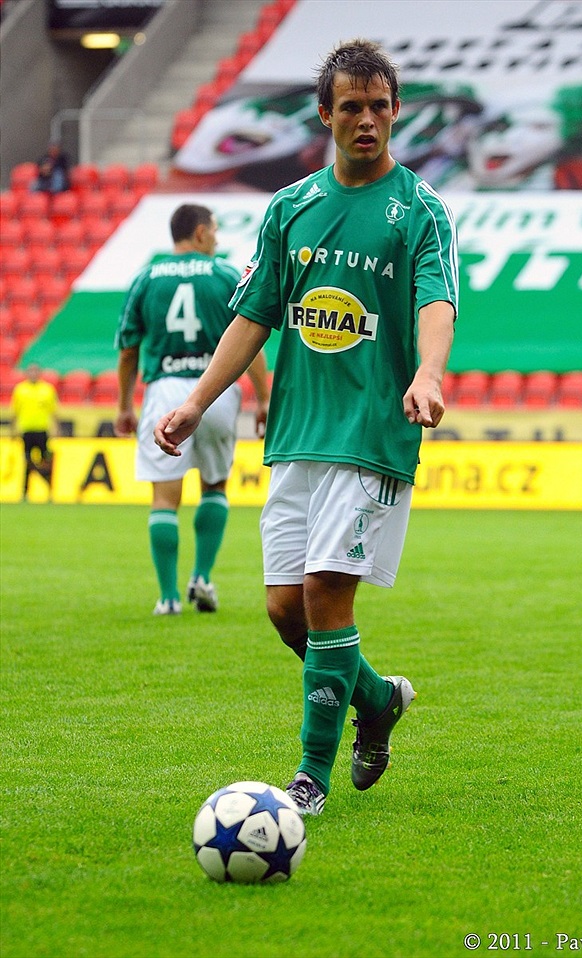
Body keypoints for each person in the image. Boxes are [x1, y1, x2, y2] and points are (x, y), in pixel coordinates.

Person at [154, 40, 459, 814]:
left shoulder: (419, 211)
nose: (366, 120)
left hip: (372, 433)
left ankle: (307, 782)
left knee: (327, 598)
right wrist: (195, 401)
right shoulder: (290, 207)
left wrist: (427, 374)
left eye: (379, 106)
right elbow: (253, 316)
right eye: (350, 106)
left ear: (396, 112)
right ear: (324, 114)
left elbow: (436, 301)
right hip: (296, 434)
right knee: (286, 612)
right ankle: (378, 700)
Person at [115, 203, 269, 616]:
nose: (217, 238)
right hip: (215, 390)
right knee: (215, 486)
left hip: (165, 391)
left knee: (165, 499)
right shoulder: (223, 274)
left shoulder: (147, 278)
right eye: (215, 230)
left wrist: (124, 405)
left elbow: (129, 349)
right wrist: (264, 397)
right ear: (200, 233)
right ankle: (201, 576)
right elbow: (249, 334)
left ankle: (167, 598)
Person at [10, 364, 59, 501]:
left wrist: (56, 429)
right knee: (27, 462)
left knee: (45, 462)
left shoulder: (47, 389)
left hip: (42, 431)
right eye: (30, 371)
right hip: (26, 431)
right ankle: (25, 493)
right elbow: (15, 411)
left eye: (35, 371)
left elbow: (53, 411)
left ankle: (49, 492)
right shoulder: (20, 389)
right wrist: (13, 429)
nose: (33, 373)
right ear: (26, 373)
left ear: (40, 373)